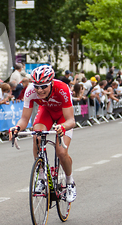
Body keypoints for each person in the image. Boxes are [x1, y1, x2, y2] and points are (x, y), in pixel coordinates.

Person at [9, 65, 76, 203]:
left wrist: (62, 127)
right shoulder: (30, 91)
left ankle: (70, 182)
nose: (39, 90)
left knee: (61, 152)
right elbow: (24, 119)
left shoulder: (62, 89)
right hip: (46, 113)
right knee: (36, 135)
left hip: (63, 117)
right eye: (36, 86)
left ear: (51, 82)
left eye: (44, 86)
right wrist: (16, 128)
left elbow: (71, 120)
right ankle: (41, 177)